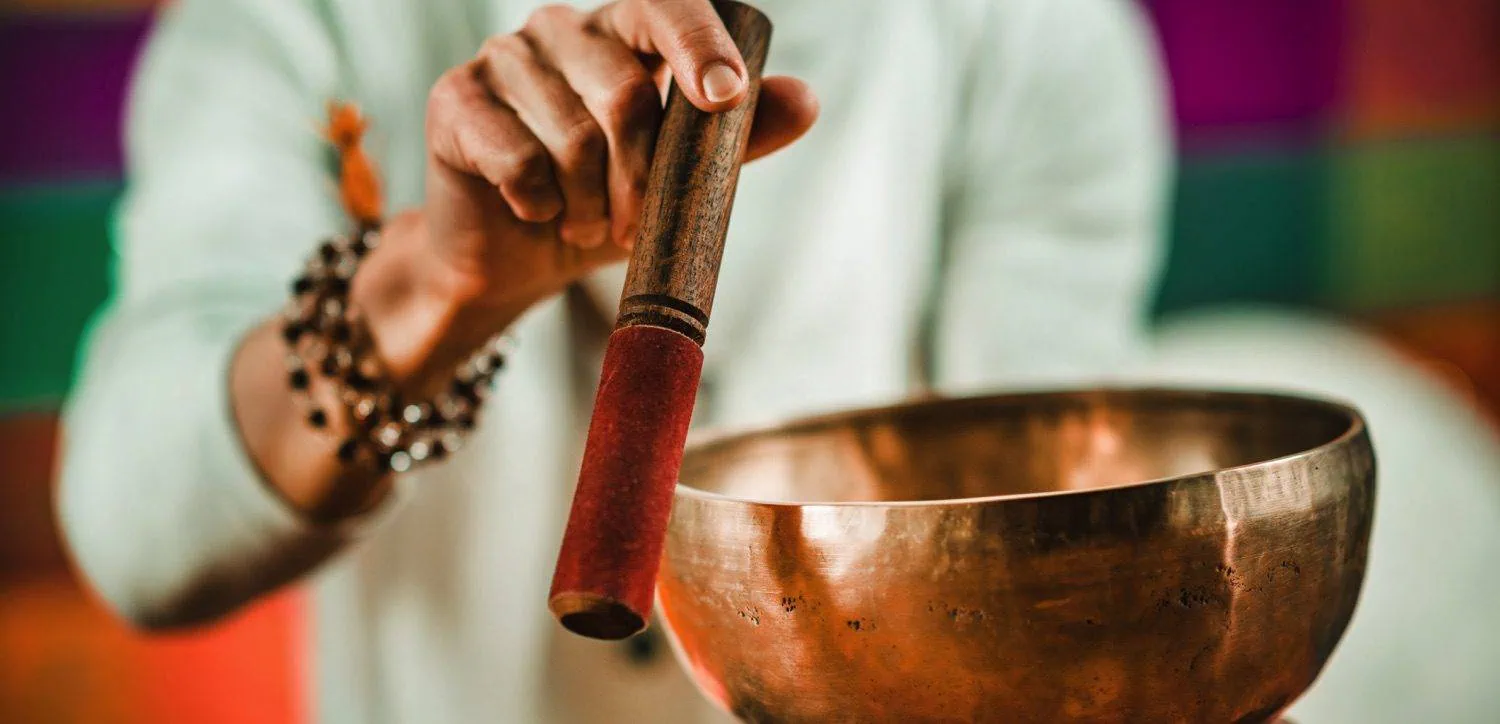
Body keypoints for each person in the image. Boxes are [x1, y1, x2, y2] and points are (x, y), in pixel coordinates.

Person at [57, 0, 1169, 721]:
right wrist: (436, 287)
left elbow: (1031, 547)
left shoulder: (1036, 32)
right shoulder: (298, 20)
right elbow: (140, 535)